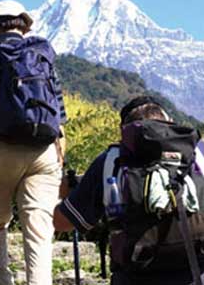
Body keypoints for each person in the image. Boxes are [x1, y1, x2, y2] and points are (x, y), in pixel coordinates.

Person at [0, 0, 67, 285]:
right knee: (39, 229)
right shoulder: (42, 54)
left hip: (0, 148)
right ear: (23, 25)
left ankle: (1, 281)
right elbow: (60, 118)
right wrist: (58, 161)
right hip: (44, 150)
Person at [53, 96, 204, 285]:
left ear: (124, 133)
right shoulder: (197, 155)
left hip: (133, 277)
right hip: (194, 274)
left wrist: (44, 194)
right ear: (170, 123)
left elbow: (63, 222)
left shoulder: (111, 160)